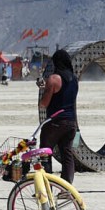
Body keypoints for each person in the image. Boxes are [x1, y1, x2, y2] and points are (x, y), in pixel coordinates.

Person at [36, 49, 79, 184]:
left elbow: (44, 103)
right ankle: (66, 187)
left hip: (55, 122)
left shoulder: (53, 79)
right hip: (71, 122)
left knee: (45, 151)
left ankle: (46, 185)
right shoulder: (74, 80)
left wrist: (44, 90)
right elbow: (64, 96)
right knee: (67, 154)